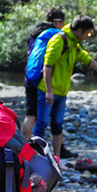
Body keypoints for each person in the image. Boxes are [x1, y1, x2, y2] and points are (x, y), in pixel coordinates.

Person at [36, 15, 97, 159]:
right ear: (79, 30)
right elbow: (47, 66)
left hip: (62, 92)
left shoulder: (73, 44)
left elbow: (87, 60)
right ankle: (32, 158)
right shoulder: (59, 41)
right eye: (88, 33)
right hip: (48, 91)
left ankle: (56, 159)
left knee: (57, 126)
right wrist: (48, 91)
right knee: (41, 125)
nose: (88, 36)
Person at [22, 9, 65, 141]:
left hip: (30, 76)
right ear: (57, 22)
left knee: (30, 114)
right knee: (53, 117)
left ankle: (22, 147)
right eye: (63, 22)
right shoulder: (55, 35)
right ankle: (58, 148)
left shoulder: (34, 33)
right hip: (43, 79)